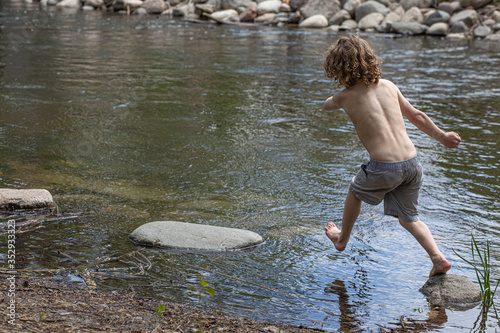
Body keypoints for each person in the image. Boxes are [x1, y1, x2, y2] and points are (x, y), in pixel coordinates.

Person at [322, 35, 461, 278]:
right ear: (370, 60)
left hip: (385, 167)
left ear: (338, 69)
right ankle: (438, 258)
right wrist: (442, 137)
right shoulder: (388, 86)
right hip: (412, 164)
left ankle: (341, 238)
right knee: (409, 218)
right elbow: (416, 115)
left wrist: (338, 96)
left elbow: (327, 105)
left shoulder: (344, 97)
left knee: (355, 191)